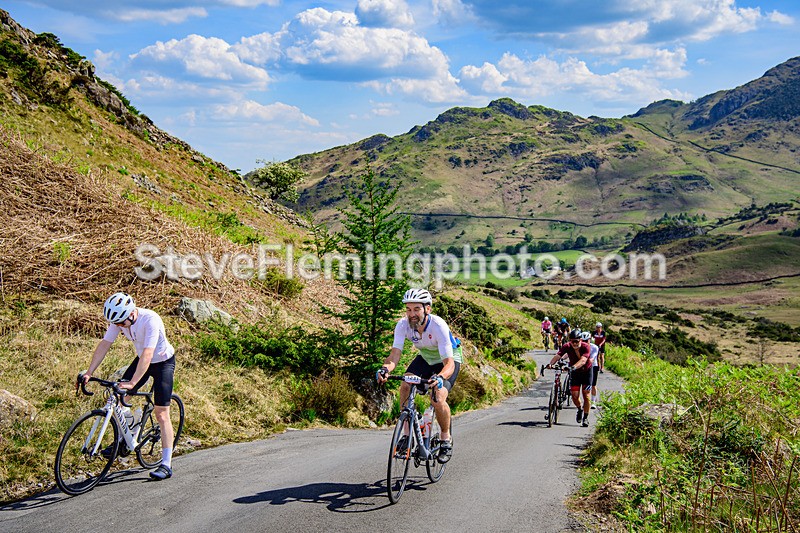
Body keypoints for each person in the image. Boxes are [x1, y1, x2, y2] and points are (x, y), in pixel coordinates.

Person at [81, 292, 177, 481]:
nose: (118, 327)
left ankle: (166, 464)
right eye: (115, 324)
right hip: (142, 359)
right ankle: (129, 432)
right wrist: (89, 372)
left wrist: (133, 382)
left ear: (132, 313)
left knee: (161, 413)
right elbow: (104, 344)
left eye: (121, 324)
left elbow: (149, 354)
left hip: (162, 362)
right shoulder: (119, 319)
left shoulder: (150, 319)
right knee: (120, 397)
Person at [377, 288, 462, 461]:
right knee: (405, 385)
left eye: (416, 309)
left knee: (437, 398)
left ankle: (445, 439)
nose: (412, 314)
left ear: (427, 309)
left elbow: (449, 364)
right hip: (425, 358)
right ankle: (407, 436)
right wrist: (386, 369)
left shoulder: (438, 326)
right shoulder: (403, 325)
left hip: (447, 359)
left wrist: (440, 377)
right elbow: (395, 355)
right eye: (408, 309)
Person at [547, 328, 591, 426]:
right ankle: (580, 409)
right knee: (575, 396)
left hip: (587, 372)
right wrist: (550, 364)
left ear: (580, 340)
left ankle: (585, 418)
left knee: (586, 395)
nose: (575, 344)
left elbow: (583, 360)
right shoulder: (567, 346)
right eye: (572, 341)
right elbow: (558, 355)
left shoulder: (586, 347)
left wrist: (573, 367)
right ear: (570, 341)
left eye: (577, 341)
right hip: (575, 373)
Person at [581, 331, 600, 409]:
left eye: (587, 340)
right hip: (583, 365)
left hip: (593, 366)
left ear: (590, 340)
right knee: (584, 385)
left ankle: (593, 401)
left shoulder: (595, 347)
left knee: (593, 385)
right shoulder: (580, 346)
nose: (585, 342)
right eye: (583, 341)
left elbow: (592, 358)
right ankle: (586, 402)